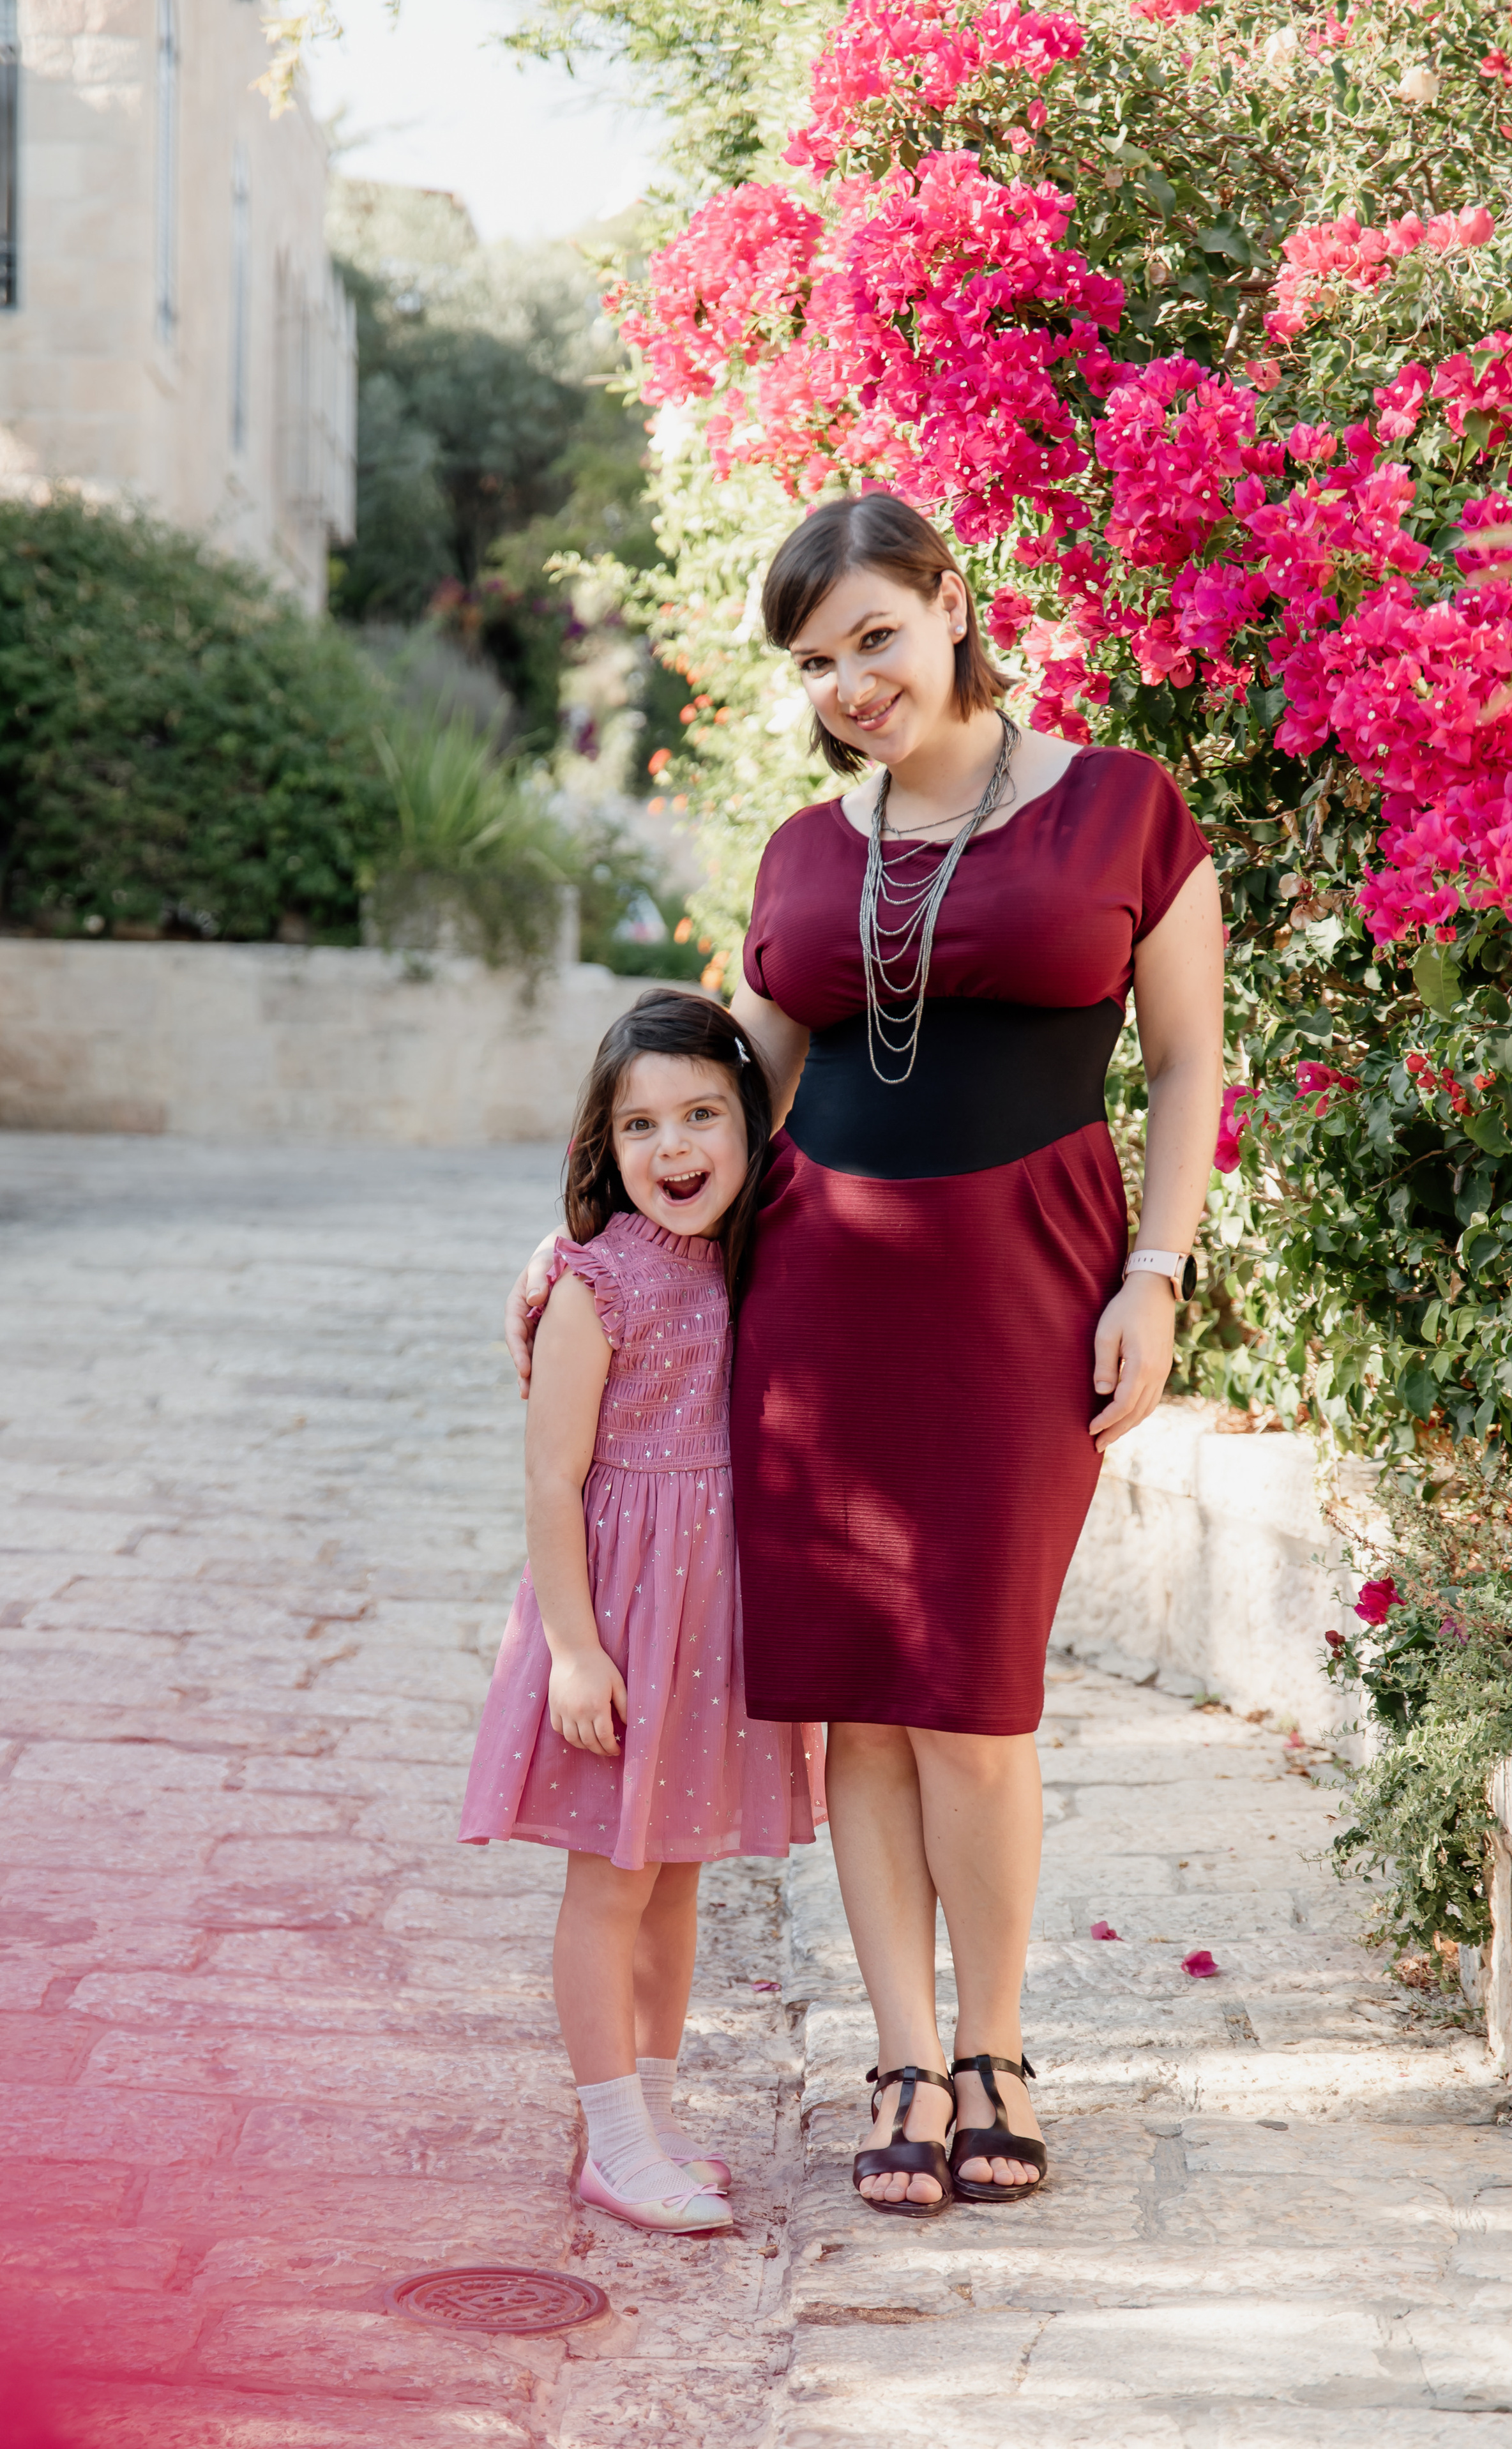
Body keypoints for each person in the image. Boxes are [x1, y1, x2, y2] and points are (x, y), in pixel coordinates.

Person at [508, 492, 1223, 2217]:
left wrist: (1161, 1271)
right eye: (817, 664)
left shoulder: (1124, 805)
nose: (849, 686)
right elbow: (728, 1076)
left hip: (1025, 1290)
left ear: (951, 604)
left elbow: (1191, 1065)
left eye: (874, 641)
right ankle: (904, 2057)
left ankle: (997, 2046)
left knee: (974, 1700)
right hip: (820, 1305)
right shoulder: (807, 852)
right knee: (866, 1717)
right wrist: (587, 1222)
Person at [464, 989, 826, 2236]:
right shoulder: (592, 1283)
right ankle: (610, 2140)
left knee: (676, 1882)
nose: (672, 1151)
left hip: (707, 1625)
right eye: (640, 1127)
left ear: (750, 1122)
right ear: (600, 1148)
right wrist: (571, 1648)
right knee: (610, 1884)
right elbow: (550, 1477)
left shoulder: (754, 1258)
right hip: (617, 1623)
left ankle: (653, 2116)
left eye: (700, 1116)